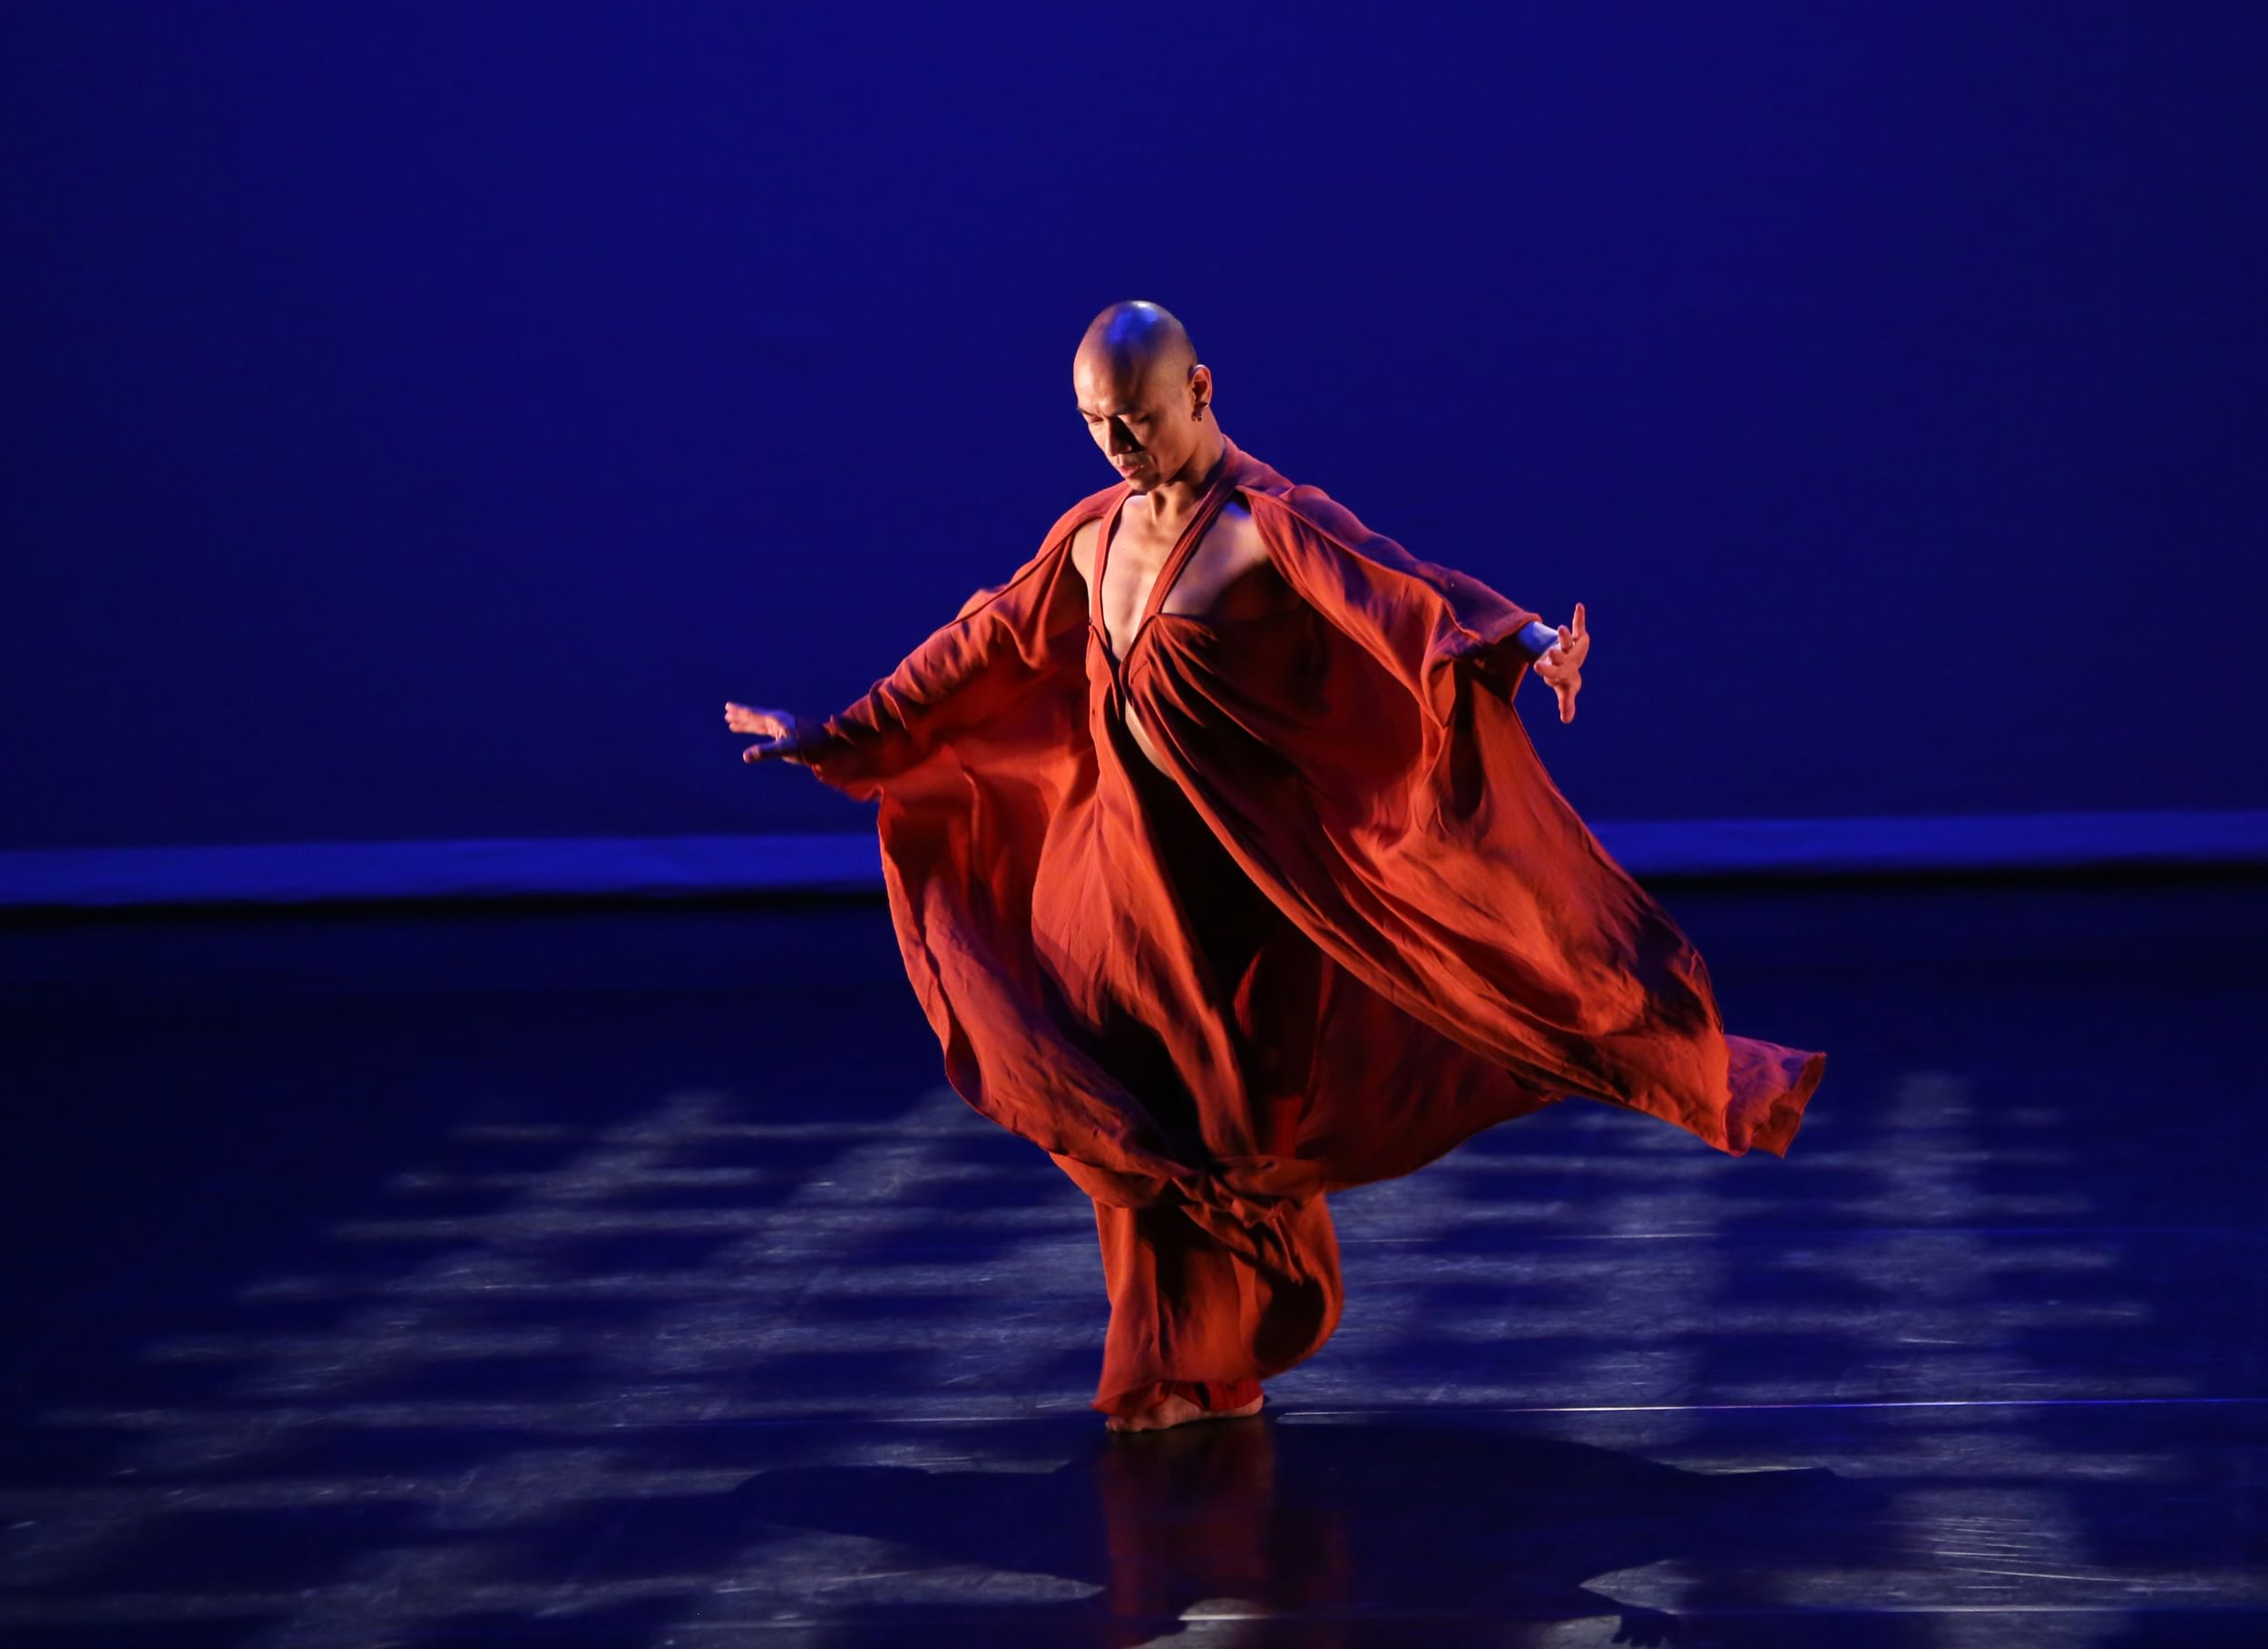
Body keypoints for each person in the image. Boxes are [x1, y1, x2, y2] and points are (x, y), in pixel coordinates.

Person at [725, 300, 1826, 1433]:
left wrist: (1530, 643)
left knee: (1240, 1126)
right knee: (1133, 1105)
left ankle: (1238, 1335)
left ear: (1198, 391)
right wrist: (837, 733)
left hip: (1239, 898)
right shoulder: (1092, 534)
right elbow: (982, 641)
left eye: (1137, 417)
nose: (1117, 444)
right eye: (1095, 422)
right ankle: (1175, 1366)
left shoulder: (1266, 524)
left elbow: (1403, 588)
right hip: (1116, 885)